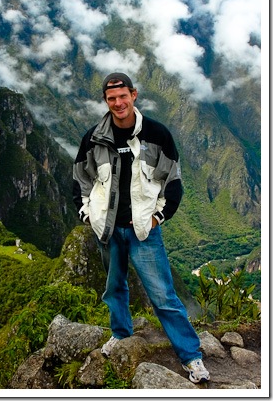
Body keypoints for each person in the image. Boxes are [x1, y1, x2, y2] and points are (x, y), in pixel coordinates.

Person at [72, 72, 210, 384]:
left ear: (134, 95)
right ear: (106, 102)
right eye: (111, 99)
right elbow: (80, 178)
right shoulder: (94, 138)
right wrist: (87, 214)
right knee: (114, 288)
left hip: (143, 231)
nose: (118, 103)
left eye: (123, 96)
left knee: (162, 295)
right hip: (107, 229)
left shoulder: (157, 135)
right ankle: (121, 335)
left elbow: (173, 182)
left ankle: (191, 356)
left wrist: (158, 218)